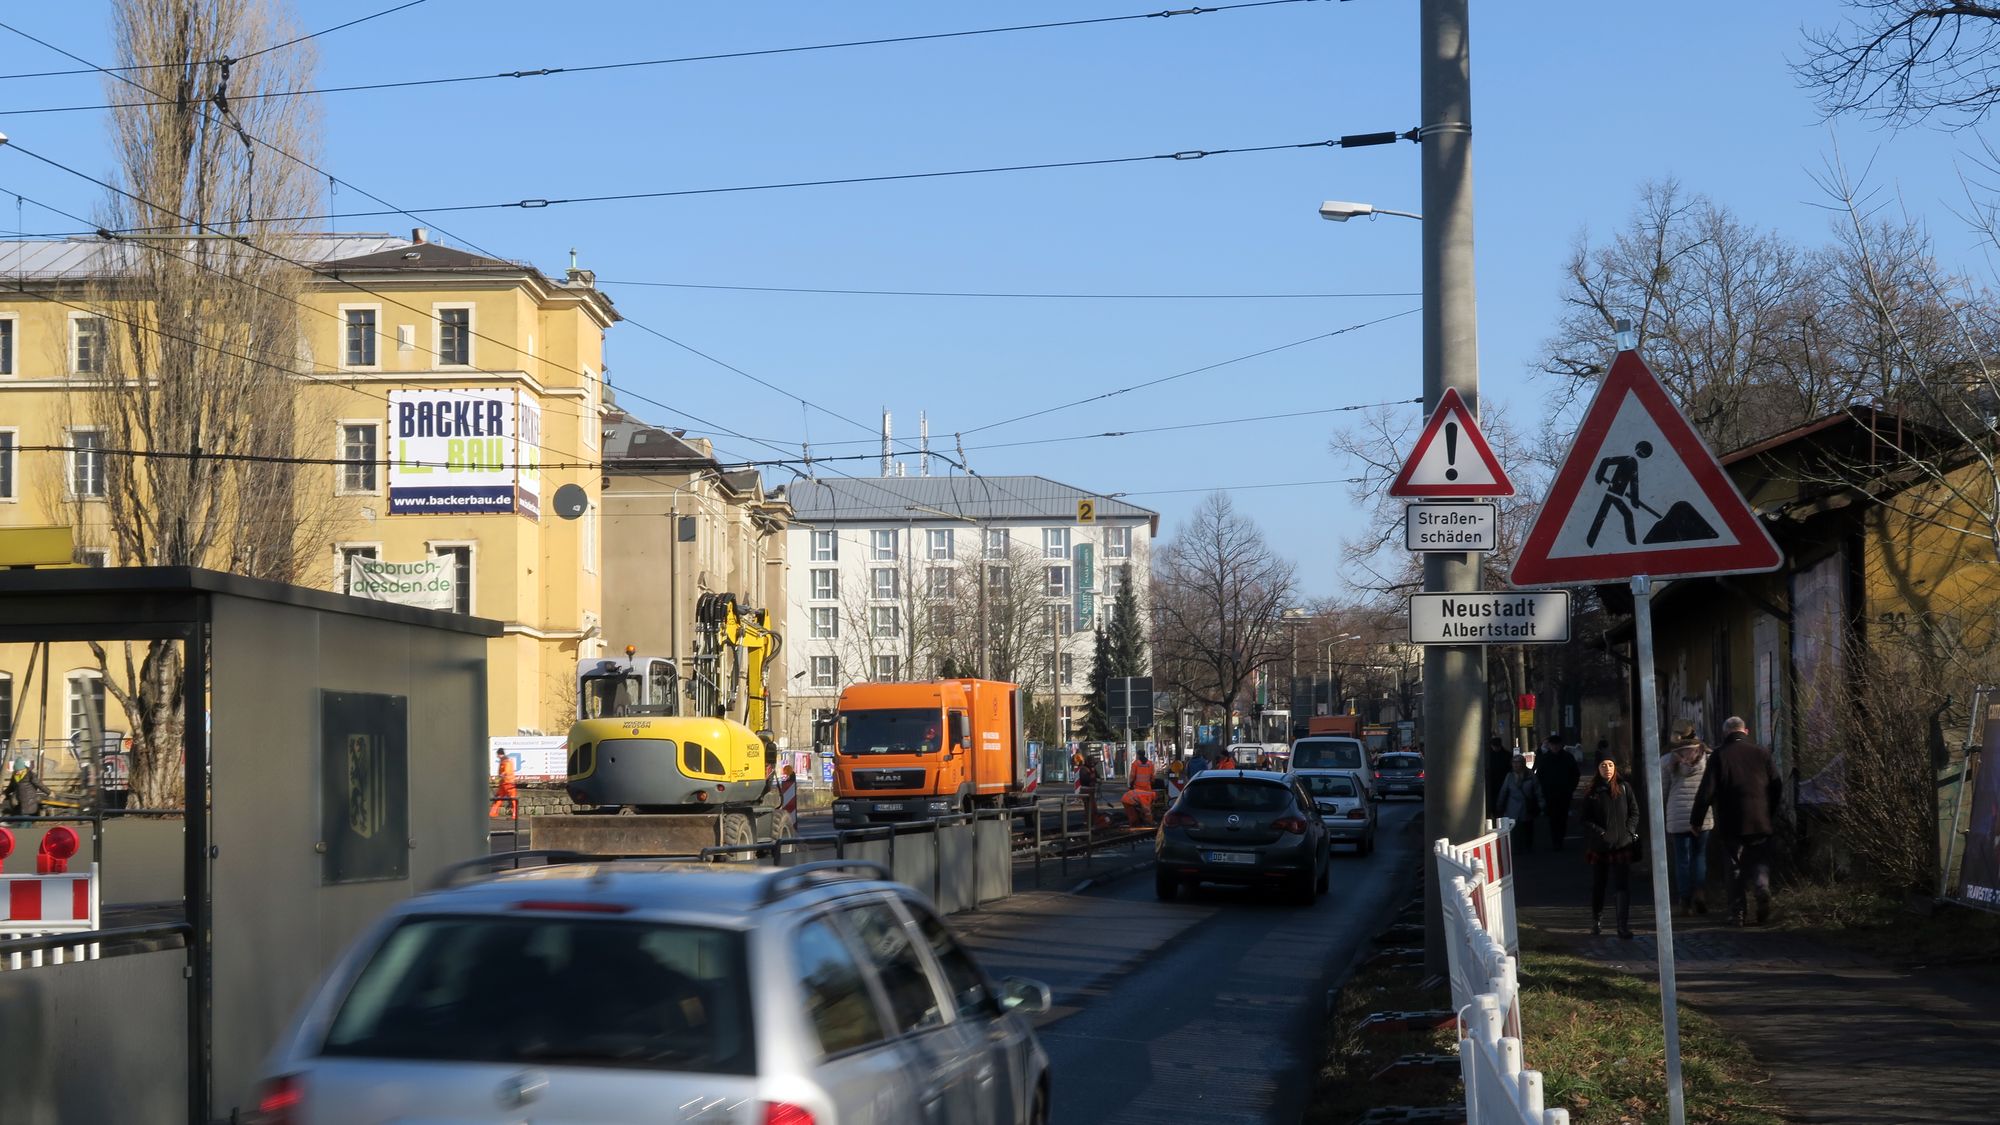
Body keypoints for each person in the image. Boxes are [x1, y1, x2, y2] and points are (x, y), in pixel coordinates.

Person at [1691, 716, 1782, 926]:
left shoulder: (1719, 756)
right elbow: (1777, 785)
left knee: (1734, 866)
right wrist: (1770, 811)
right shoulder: (1762, 753)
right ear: (1746, 731)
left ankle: (1738, 913)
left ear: (1725, 733)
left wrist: (1696, 820)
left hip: (1732, 821)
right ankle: (1761, 888)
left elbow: (1707, 791)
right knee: (1759, 859)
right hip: (1760, 819)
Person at [1582, 753, 1642, 939]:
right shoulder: (1592, 792)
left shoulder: (1625, 788)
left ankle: (1622, 925)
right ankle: (1596, 921)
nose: (1607, 768)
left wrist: (1629, 831)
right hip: (1601, 846)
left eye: (1610, 765)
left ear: (1615, 767)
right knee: (1599, 884)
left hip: (1622, 845)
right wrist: (1601, 833)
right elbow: (1585, 819)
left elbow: (1634, 812)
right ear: (1597, 769)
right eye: (1603, 765)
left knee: (1622, 885)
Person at [1662, 727, 1715, 915]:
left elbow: (1664, 791)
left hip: (1677, 816)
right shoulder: (1707, 759)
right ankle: (1699, 894)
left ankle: (1684, 899)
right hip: (1702, 815)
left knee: (1682, 859)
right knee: (1700, 856)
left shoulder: (1668, 761)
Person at [1535, 733, 1581, 850]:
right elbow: (1539, 776)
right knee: (1553, 818)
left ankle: (1560, 838)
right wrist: (1543, 791)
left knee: (1563, 817)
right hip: (1549, 794)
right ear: (1549, 745)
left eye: (1557, 745)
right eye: (1552, 745)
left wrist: (1571, 788)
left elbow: (1575, 774)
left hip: (1564, 793)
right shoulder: (1545, 759)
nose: (1555, 747)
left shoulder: (1567, 758)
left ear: (1561, 745)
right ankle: (1556, 840)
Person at [1498, 753, 1542, 851]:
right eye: (1514, 763)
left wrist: (1541, 803)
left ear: (1523, 763)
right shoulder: (1509, 776)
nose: (1516, 765)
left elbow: (1537, 790)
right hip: (1512, 805)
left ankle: (1527, 845)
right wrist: (1500, 805)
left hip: (1526, 805)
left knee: (1527, 826)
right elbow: (1504, 791)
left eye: (1518, 763)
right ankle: (1517, 847)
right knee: (1514, 827)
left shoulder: (1530, 775)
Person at [1123, 752, 1158, 826]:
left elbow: (1132, 775)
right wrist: (1152, 782)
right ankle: (1146, 820)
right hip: (1147, 788)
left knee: (1138, 806)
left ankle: (1139, 820)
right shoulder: (1150, 764)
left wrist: (1131, 784)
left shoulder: (1135, 764)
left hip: (1137, 787)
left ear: (1138, 755)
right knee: (1147, 806)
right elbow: (1153, 775)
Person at [1485, 737, 1512, 816]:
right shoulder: (1506, 754)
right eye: (1494, 746)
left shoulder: (1489, 755)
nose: (1495, 748)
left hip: (1501, 781)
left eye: (1496, 746)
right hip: (1494, 782)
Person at [489, 748, 518, 818]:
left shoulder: (506, 761)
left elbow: (506, 771)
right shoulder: (504, 760)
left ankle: (514, 814)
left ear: (499, 754)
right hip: (504, 783)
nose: (497, 756)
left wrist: (501, 775)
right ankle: (493, 813)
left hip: (508, 783)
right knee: (499, 798)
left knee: (512, 799)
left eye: (497, 755)